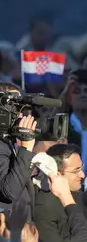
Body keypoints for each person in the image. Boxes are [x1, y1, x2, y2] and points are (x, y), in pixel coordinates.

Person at [33, 143, 87, 242]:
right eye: (75, 171)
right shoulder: (43, 207)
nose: (83, 175)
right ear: (56, 174)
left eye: (81, 168)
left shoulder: (84, 199)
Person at [0, 82, 38, 213]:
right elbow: (10, 191)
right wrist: (26, 148)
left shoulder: (8, 142)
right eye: (15, 107)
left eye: (21, 108)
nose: (20, 115)